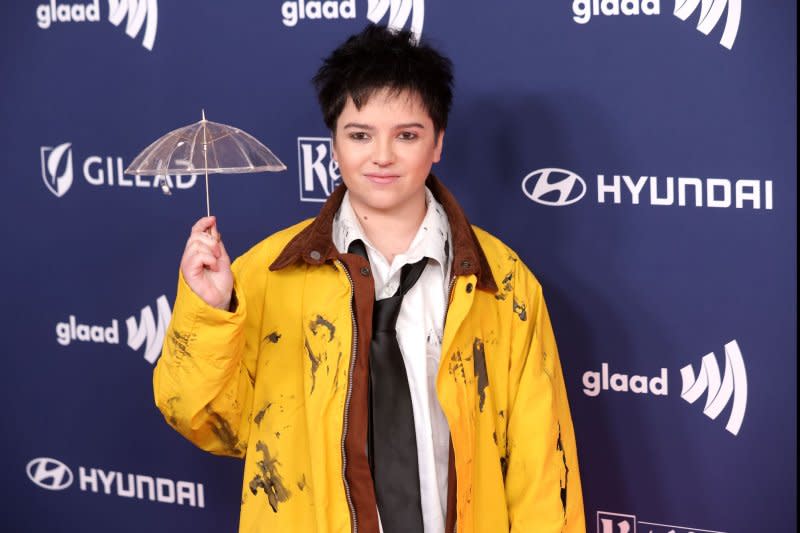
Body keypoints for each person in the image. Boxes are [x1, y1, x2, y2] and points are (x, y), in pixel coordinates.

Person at [154, 24, 585, 533]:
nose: (382, 156)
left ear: (438, 142)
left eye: (407, 135)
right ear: (333, 146)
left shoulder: (504, 283)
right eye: (360, 135)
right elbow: (205, 421)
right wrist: (211, 313)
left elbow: (542, 468)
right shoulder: (268, 274)